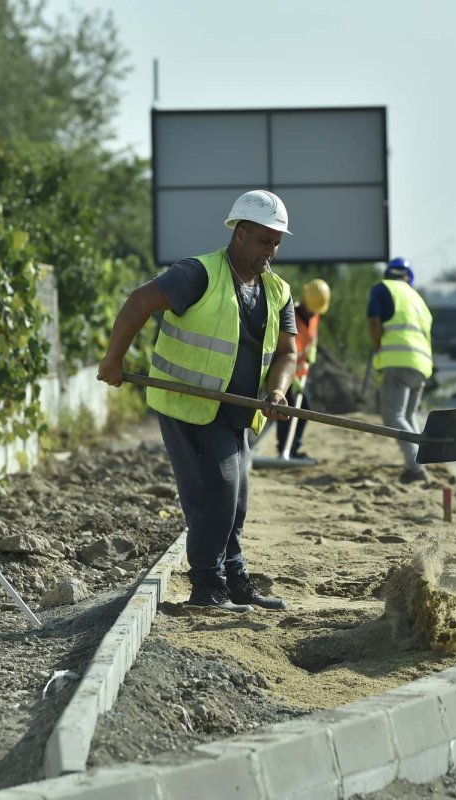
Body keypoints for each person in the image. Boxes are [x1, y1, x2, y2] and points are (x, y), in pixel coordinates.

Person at [97, 189, 297, 613]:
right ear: (240, 233)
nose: (272, 250)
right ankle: (207, 586)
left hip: (238, 411)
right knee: (218, 490)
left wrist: (277, 390)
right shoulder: (198, 273)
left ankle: (234, 574)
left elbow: (287, 352)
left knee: (236, 495)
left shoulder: (278, 291)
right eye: (265, 240)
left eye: (278, 242)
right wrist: (114, 358)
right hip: (189, 405)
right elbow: (139, 303)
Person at [367, 256, 434, 483]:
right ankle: (419, 463)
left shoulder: (382, 289)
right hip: (422, 365)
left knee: (393, 416)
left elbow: (374, 321)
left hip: (398, 361)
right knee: (408, 416)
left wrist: (377, 346)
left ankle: (416, 467)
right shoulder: (418, 299)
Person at [276, 278, 330, 460]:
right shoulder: (291, 316)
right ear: (305, 301)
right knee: (288, 410)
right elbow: (285, 349)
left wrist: (312, 351)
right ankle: (284, 448)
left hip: (300, 373)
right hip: (286, 372)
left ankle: (292, 448)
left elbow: (311, 339)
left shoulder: (315, 317)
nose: (313, 312)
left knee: (304, 409)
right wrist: (294, 378)